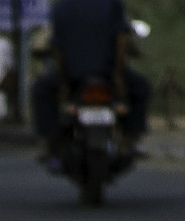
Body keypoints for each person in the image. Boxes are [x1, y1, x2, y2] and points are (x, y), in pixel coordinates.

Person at [32, 0, 148, 151]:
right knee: (141, 88)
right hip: (106, 72)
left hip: (74, 75)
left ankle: (49, 141)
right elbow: (122, 39)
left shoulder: (62, 7)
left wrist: (64, 83)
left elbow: (57, 46)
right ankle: (130, 138)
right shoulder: (112, 5)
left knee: (40, 90)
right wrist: (118, 76)